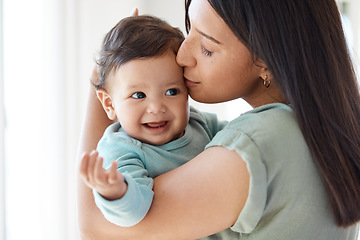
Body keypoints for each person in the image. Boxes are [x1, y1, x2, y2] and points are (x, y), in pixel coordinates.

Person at [77, 0, 360, 239]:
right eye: (189, 30)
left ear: (264, 59)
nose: (182, 55)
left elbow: (97, 228)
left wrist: (104, 72)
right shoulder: (314, 129)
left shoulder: (256, 144)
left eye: (207, 47)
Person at [79, 15, 227, 227]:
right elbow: (135, 211)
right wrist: (116, 191)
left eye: (172, 91)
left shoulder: (198, 123)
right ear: (109, 104)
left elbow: (237, 140)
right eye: (139, 95)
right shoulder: (121, 150)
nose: (157, 107)